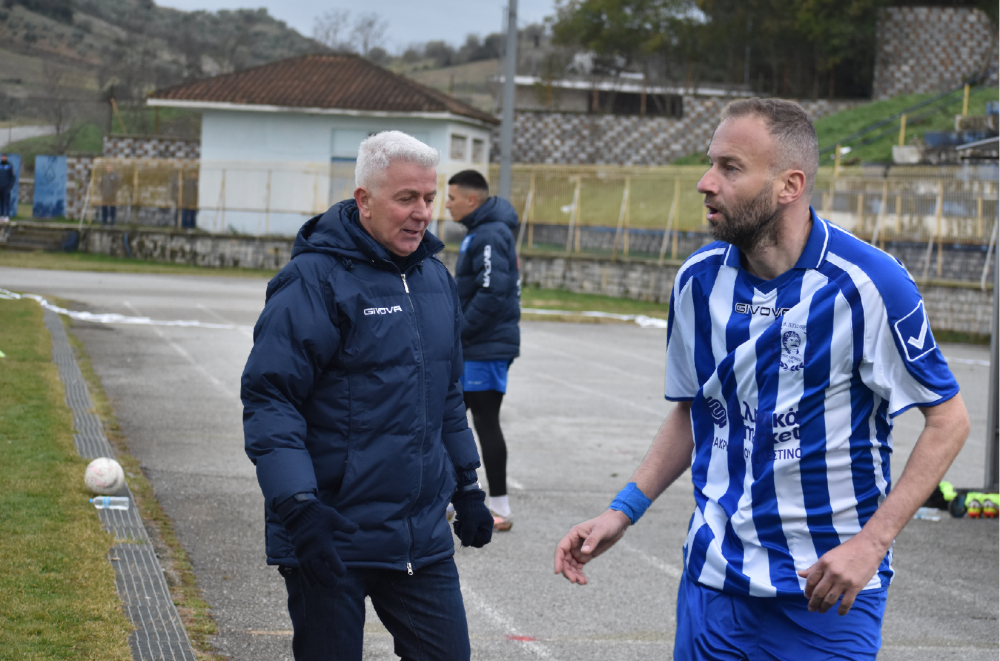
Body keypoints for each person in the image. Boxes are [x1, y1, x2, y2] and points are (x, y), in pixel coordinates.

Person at [554, 98, 970, 660]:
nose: (706, 182)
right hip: (713, 583)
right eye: (710, 164)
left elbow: (948, 420)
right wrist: (622, 509)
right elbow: (695, 410)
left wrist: (871, 545)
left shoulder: (869, 283)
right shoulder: (697, 282)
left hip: (826, 591)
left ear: (789, 185)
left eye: (730, 167)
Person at [242, 131, 494, 661]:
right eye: (406, 198)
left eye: (429, 197)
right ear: (364, 200)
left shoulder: (435, 279)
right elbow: (272, 400)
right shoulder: (312, 281)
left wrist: (467, 485)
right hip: (331, 531)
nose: (422, 212)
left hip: (420, 538)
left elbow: (446, 395)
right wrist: (298, 507)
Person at [445, 169, 520, 531]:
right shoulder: (481, 231)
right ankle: (446, 499)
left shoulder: (489, 234)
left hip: (484, 347)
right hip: (477, 345)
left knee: (482, 422)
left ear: (471, 200)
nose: (446, 205)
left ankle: (499, 508)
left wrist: (458, 332)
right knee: (449, 420)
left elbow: (492, 291)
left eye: (451, 197)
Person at [0, 154, 15, 219]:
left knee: (7, 202)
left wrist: (10, 187)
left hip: (6, 187)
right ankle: (2, 216)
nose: (3, 158)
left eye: (4, 157)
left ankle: (7, 216)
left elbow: (12, 177)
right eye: (2, 157)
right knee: (1, 202)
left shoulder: (9, 166)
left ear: (6, 158)